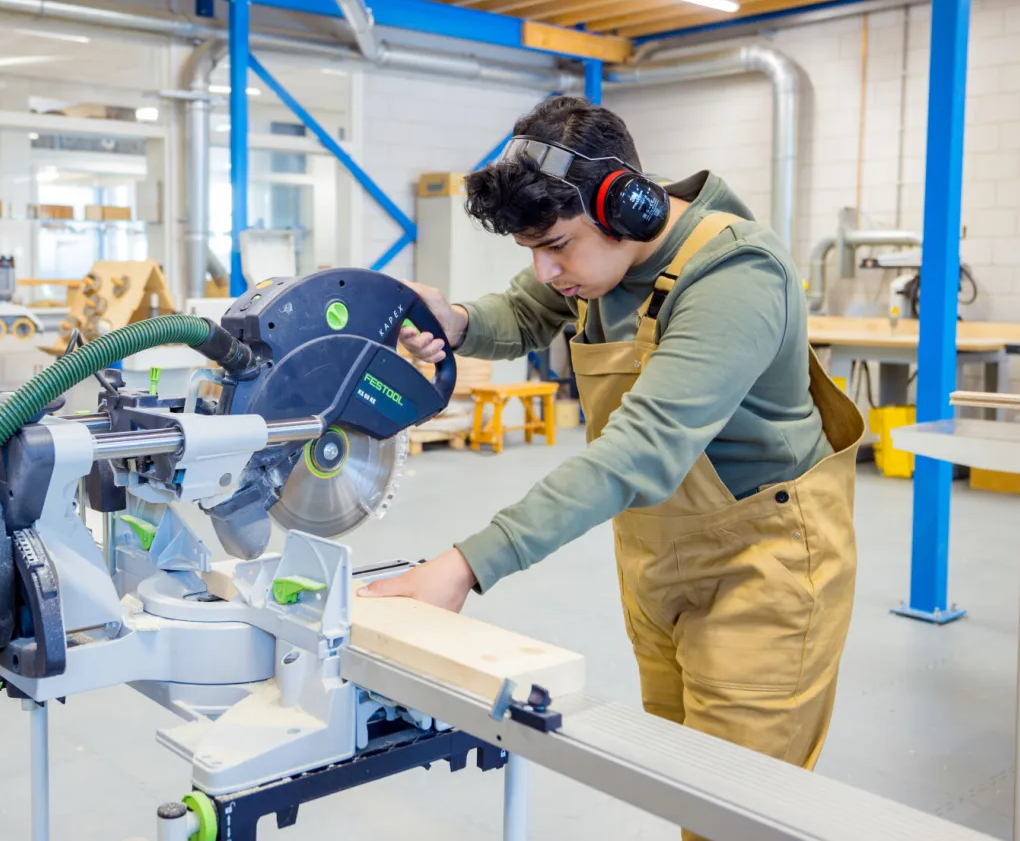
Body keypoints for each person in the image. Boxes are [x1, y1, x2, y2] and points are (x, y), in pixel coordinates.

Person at [362, 97, 864, 837]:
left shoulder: (736, 274)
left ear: (625, 204)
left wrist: (466, 566)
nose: (546, 270)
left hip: (765, 568)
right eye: (532, 250)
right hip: (658, 558)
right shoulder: (593, 263)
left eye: (558, 247)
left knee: (738, 811)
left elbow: (643, 447)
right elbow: (525, 312)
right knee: (684, 783)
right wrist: (457, 322)